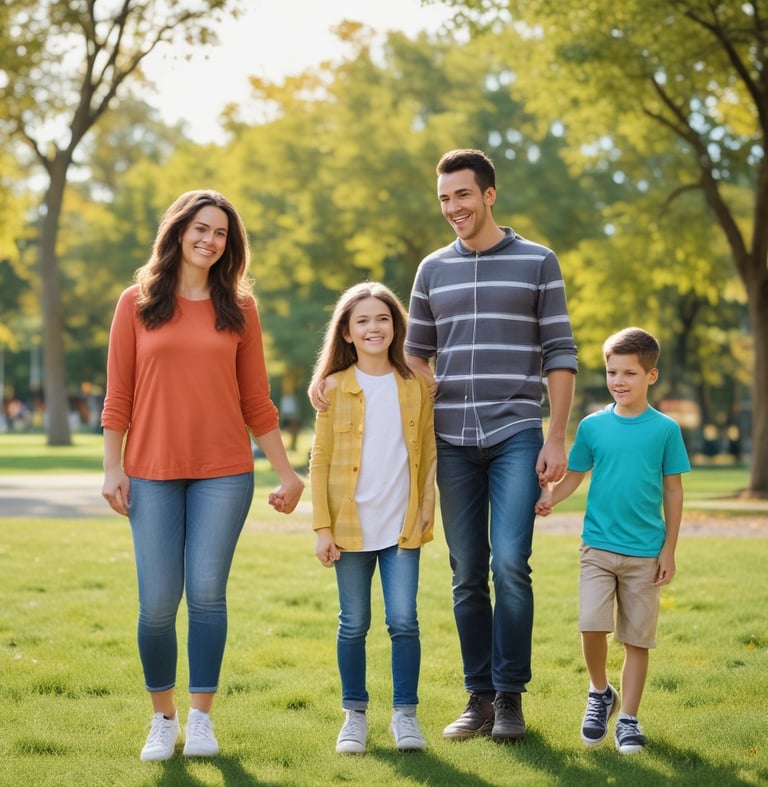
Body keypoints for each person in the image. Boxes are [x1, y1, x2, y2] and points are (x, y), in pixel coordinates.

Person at [100, 189, 305, 762]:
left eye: (220, 233)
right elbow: (119, 395)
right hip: (150, 471)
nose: (209, 240)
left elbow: (256, 401)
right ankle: (162, 718)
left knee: (209, 595)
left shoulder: (240, 308)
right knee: (158, 602)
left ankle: (201, 719)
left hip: (224, 472)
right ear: (178, 231)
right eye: (201, 228)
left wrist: (287, 473)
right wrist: (112, 467)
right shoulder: (135, 303)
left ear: (229, 245)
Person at [404, 148, 578, 742]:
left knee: (510, 562)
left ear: (489, 194)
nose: (454, 207)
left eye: (463, 195)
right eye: (445, 198)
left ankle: (510, 698)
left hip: (516, 434)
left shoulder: (538, 262)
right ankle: (478, 697)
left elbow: (560, 352)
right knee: (465, 572)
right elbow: (412, 352)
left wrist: (556, 436)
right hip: (450, 438)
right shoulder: (431, 270)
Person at [536, 327, 690, 754]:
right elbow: (576, 477)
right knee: (591, 625)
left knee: (637, 639)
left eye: (629, 373)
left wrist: (669, 550)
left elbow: (674, 491)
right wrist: (551, 498)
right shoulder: (592, 426)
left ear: (651, 376)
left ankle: (629, 719)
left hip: (645, 553)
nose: (619, 381)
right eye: (611, 372)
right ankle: (600, 692)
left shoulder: (665, 430)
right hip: (598, 548)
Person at [308, 282, 437, 754]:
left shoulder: (415, 385)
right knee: (354, 622)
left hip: (401, 526)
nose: (373, 327)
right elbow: (319, 460)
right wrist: (322, 527)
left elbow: (428, 455)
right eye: (361, 320)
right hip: (348, 528)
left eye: (382, 318)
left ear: (395, 326)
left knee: (404, 620)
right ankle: (354, 716)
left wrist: (425, 516)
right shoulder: (334, 389)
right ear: (346, 332)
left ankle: (406, 715)